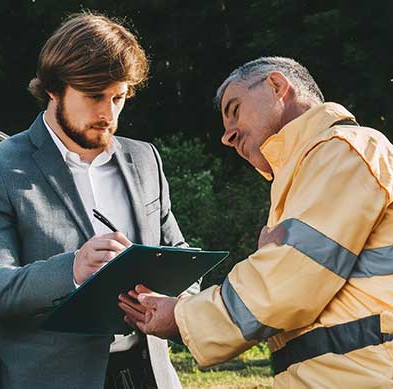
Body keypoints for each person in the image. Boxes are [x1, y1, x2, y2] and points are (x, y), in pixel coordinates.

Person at [119, 57, 393, 387]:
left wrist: (182, 316)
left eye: (234, 109)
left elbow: (287, 283)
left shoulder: (343, 150)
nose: (227, 136)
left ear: (277, 86)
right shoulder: (304, 175)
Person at [0, 12, 193, 389]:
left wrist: (174, 304)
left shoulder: (145, 158)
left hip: (148, 376)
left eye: (119, 97)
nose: (108, 114)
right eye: (94, 96)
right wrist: (73, 269)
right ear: (53, 88)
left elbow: (177, 252)